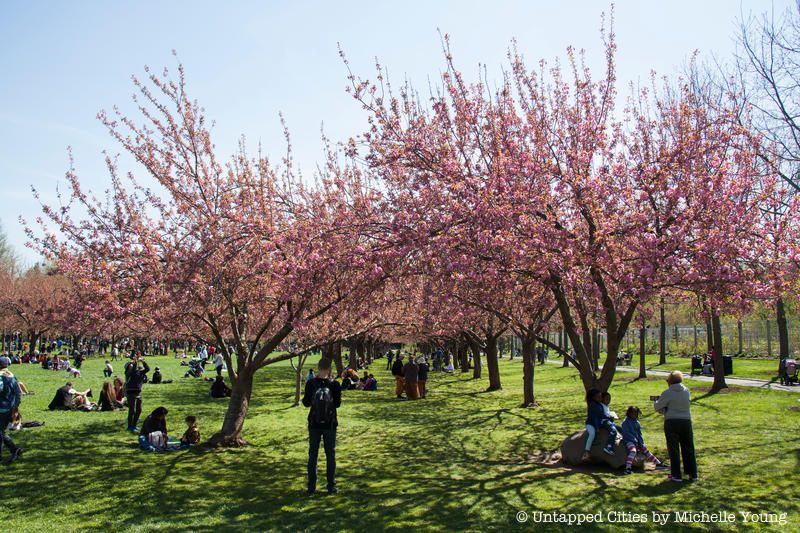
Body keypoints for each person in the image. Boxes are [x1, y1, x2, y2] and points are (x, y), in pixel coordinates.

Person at [302, 358, 341, 495]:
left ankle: (311, 487)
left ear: (318, 368)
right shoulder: (335, 384)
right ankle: (331, 487)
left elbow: (306, 403)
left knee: (313, 454)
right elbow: (337, 404)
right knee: (330, 454)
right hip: (330, 424)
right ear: (329, 368)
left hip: (314, 423)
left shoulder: (311, 383)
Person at [654, 371, 697, 482]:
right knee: (688, 447)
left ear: (670, 381)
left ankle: (676, 475)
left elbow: (658, 406)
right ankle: (693, 473)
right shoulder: (686, 391)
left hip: (671, 421)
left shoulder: (667, 393)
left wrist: (659, 405)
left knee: (673, 449)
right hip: (686, 421)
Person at [620, 406, 668, 475]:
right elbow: (627, 433)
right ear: (629, 413)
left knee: (645, 450)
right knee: (633, 451)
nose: (634, 415)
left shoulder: (637, 423)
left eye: (636, 413)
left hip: (637, 441)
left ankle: (658, 463)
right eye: (632, 413)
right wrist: (634, 441)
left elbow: (639, 434)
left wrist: (641, 443)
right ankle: (628, 468)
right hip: (629, 441)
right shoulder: (625, 423)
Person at [582, 388, 618, 460]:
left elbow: (601, 415)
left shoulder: (599, 404)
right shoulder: (593, 405)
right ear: (593, 397)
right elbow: (595, 417)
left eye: (600, 396)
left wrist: (609, 418)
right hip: (591, 424)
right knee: (592, 434)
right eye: (598, 397)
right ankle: (586, 451)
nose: (600, 398)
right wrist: (597, 427)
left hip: (598, 422)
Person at [0, 356, 23, 463]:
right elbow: (18, 393)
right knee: (1, 431)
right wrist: (15, 407)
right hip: (10, 408)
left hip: (2, 407)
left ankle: (14, 449)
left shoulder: (0, 376)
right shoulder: (12, 376)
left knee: (1, 432)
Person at [124, 354, 150, 432]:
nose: (132, 366)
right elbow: (133, 370)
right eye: (130, 365)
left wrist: (143, 361)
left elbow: (147, 369)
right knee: (132, 410)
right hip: (131, 392)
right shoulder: (128, 373)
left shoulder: (140, 372)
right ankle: (129, 426)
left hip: (138, 392)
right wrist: (135, 361)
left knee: (139, 410)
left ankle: (134, 425)